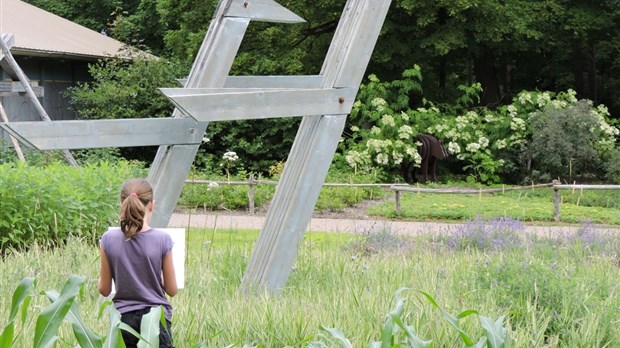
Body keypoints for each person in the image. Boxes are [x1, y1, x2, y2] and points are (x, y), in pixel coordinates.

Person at [98, 178, 178, 347]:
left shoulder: (108, 239)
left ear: (122, 203)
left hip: (123, 321)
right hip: (156, 321)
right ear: (152, 205)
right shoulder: (163, 240)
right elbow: (172, 289)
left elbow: (104, 289)